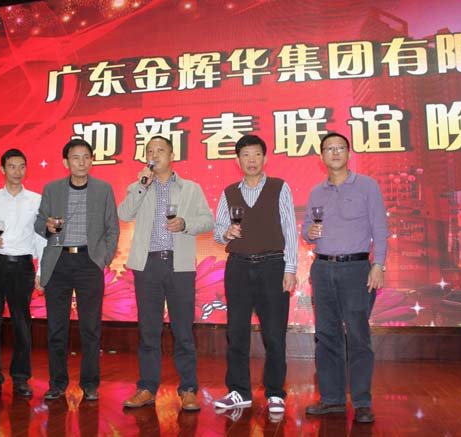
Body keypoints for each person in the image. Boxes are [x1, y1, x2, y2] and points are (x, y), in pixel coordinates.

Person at [118, 136, 214, 411]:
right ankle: (147, 388)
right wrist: (141, 185)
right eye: (150, 151)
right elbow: (124, 214)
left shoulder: (190, 188)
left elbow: (207, 221)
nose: (155, 154)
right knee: (149, 330)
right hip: (147, 265)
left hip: (179, 265)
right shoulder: (139, 186)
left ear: (172, 155)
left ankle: (188, 389)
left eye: (160, 150)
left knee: (183, 330)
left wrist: (185, 224)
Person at [302, 132, 388, 424]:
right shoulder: (316, 192)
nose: (335, 152)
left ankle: (362, 402)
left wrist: (379, 265)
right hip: (322, 268)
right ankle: (332, 399)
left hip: (356, 269)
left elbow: (380, 228)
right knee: (326, 336)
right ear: (321, 157)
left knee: (358, 335)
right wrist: (309, 233)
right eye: (329, 148)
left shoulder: (367, 185)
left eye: (340, 148)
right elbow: (306, 231)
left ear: (349, 154)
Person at [213, 134, 298, 416]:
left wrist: (290, 268)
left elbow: (289, 229)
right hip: (237, 266)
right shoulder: (229, 192)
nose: (252, 160)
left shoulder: (279, 187)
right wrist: (226, 233)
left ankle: (275, 392)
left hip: (272, 265)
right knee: (236, 333)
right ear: (237, 160)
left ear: (265, 158)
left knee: (274, 333)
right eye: (246, 155)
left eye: (257, 154)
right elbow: (218, 232)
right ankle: (239, 391)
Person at [34, 138, 119, 401]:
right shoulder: (52, 189)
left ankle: (90, 384)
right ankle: (57, 383)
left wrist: (103, 259)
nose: (81, 162)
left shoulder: (103, 189)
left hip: (88, 262)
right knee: (56, 328)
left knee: (90, 328)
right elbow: (39, 224)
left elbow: (112, 228)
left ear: (92, 161)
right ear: (66, 162)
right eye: (75, 157)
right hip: (58, 262)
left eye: (86, 157)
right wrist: (47, 226)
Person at [0, 148, 46, 399]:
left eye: (22, 166)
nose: (17, 171)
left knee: (21, 323)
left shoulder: (36, 200)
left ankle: (21, 378)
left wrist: (41, 271)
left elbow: (41, 239)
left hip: (22, 265)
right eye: (12, 166)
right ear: (3, 169)